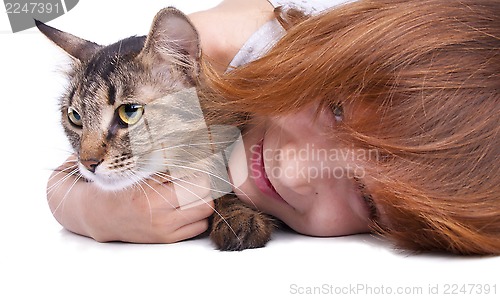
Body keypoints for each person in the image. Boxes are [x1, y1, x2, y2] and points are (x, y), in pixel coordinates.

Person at [47, 0, 500, 255]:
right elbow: (81, 164)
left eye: (366, 198)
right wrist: (92, 212)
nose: (294, 173)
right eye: (336, 110)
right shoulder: (214, 55)